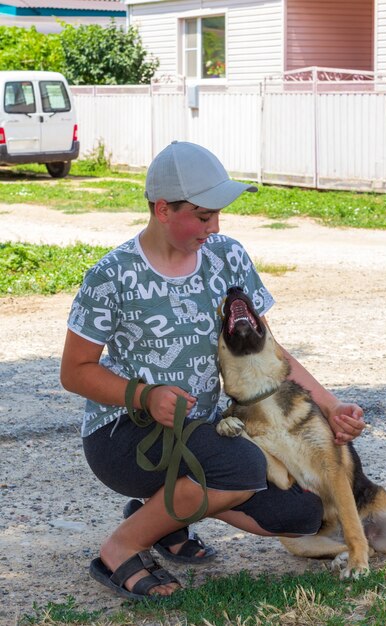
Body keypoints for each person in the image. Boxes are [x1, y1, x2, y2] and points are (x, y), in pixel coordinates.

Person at [60, 140, 365, 600]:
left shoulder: (227, 256)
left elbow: (269, 351)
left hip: (200, 429)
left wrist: (330, 403)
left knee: (299, 513)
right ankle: (120, 548)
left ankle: (163, 519)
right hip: (123, 433)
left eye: (218, 215)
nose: (214, 227)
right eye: (203, 217)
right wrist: (143, 396)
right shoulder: (112, 275)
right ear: (163, 209)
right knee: (239, 467)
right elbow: (74, 371)